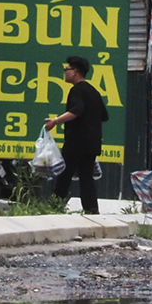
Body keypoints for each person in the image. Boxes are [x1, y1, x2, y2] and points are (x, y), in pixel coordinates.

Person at [44, 55, 109, 215]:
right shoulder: (94, 91)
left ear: (75, 72)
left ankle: (54, 206)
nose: (65, 73)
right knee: (86, 176)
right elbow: (103, 118)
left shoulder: (77, 90)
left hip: (76, 142)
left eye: (67, 70)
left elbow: (75, 111)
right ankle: (91, 208)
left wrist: (55, 121)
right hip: (92, 143)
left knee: (65, 173)